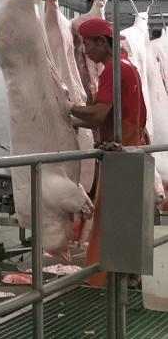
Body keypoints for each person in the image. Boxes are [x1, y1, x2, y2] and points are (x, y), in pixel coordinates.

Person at [68, 17, 147, 287]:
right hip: (132, 147)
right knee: (125, 217)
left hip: (122, 151)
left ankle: (105, 279)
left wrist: (67, 107)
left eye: (87, 44)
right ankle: (128, 277)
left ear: (102, 42)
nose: (84, 51)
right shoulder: (127, 65)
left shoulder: (113, 70)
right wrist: (75, 119)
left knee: (110, 218)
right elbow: (108, 116)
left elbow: (99, 115)